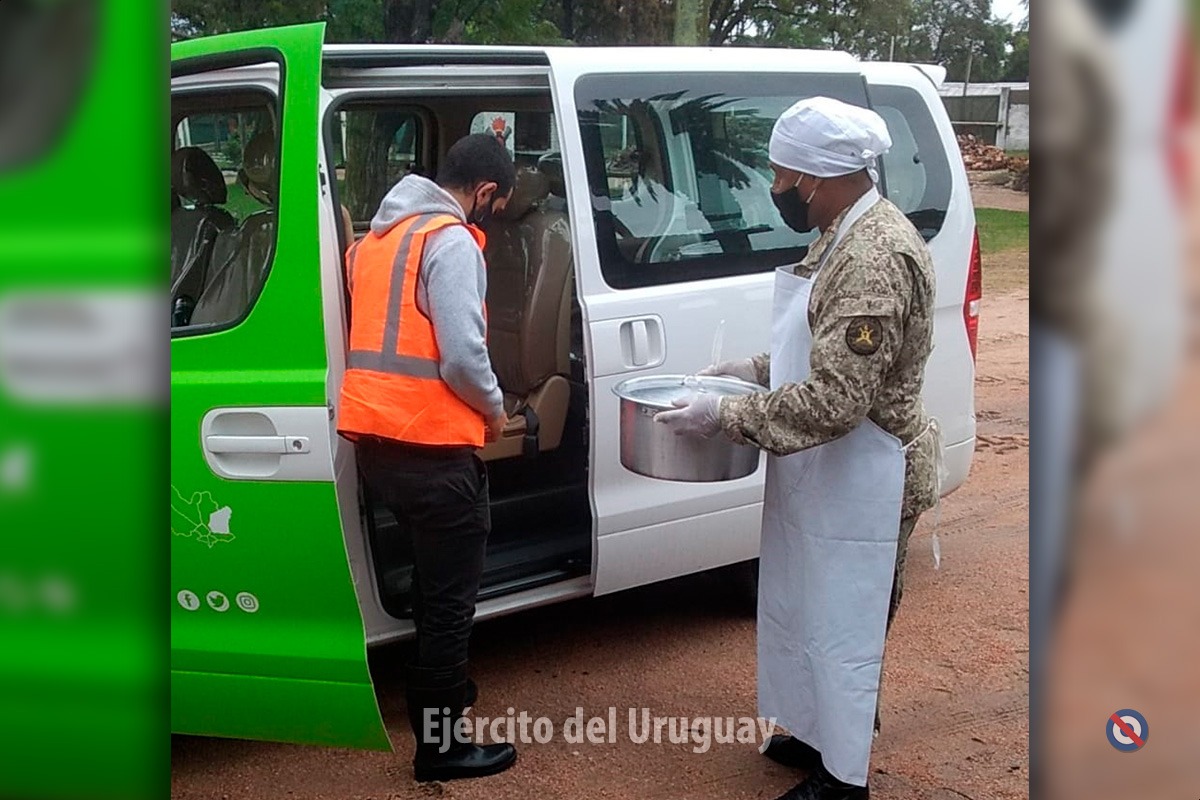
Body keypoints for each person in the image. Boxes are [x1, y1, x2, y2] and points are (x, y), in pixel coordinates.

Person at [655, 97, 939, 800]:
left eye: (783, 177)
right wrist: (750, 370)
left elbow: (838, 401)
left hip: (869, 471)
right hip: (831, 470)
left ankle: (843, 779)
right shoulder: (840, 230)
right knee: (811, 607)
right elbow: (817, 345)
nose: (777, 189)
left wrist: (723, 415)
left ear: (818, 176)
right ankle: (816, 733)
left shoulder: (875, 258)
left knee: (850, 623)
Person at [336, 133, 517, 783]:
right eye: (499, 204)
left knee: (427, 582)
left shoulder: (375, 243)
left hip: (378, 445)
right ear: (487, 192)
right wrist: (496, 409)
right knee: (448, 603)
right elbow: (464, 358)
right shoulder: (449, 242)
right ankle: (441, 745)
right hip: (436, 449)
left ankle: (438, 705)